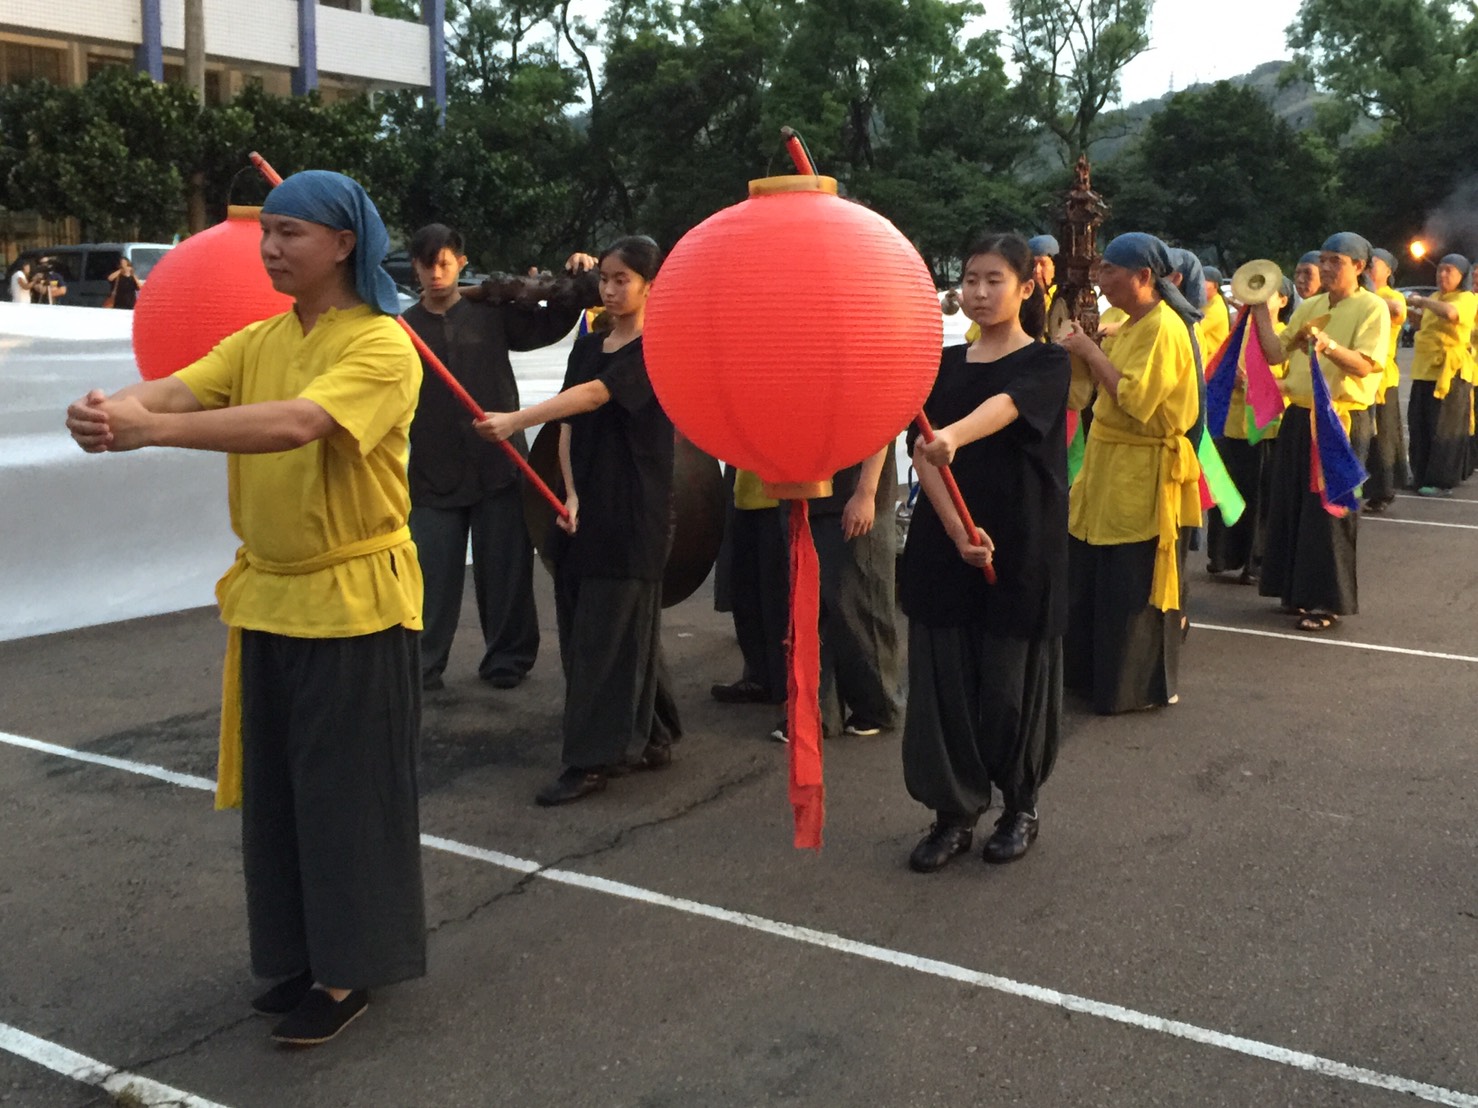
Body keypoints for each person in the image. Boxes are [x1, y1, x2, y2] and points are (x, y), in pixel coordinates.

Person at [63, 170, 427, 1047]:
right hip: (271, 596)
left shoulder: (381, 346)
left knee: (344, 797)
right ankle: (303, 954)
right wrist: (113, 410)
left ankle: (347, 974)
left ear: (344, 244)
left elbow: (296, 424)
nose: (270, 247)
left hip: (352, 602)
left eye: (291, 233)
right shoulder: (260, 337)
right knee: (283, 798)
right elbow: (178, 390)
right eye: (268, 231)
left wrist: (152, 431)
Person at [475, 236, 681, 806]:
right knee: (604, 626)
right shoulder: (589, 343)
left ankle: (592, 760)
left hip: (634, 508)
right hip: (586, 505)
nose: (611, 290)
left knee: (605, 633)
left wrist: (514, 417)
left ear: (649, 286)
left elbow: (594, 398)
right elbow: (568, 424)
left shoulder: (658, 347)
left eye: (624, 280)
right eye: (606, 279)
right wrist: (570, 492)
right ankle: (655, 733)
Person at [901, 232, 1069, 872]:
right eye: (970, 279)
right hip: (950, 545)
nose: (978, 291)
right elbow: (925, 453)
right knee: (944, 682)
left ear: (1027, 287)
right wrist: (956, 533)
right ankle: (952, 812)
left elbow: (1004, 409)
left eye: (994, 280)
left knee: (1010, 683)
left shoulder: (1048, 363)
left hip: (1023, 542)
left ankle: (1019, 804)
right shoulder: (940, 364)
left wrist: (953, 435)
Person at [401, 223, 596, 691]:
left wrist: (581, 279)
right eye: (427, 265)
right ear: (415, 268)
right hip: (432, 471)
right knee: (429, 577)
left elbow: (550, 322)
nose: (436, 273)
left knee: (506, 570)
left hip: (499, 463)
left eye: (445, 262)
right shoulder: (401, 329)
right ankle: (422, 665)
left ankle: (508, 658)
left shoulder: (488, 311)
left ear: (462, 263)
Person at [1057, 233, 1203, 715]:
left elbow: (1137, 401)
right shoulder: (1132, 322)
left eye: (1109, 272)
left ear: (1143, 277)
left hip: (1142, 465)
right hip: (1111, 462)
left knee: (1130, 580)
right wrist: (1083, 352)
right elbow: (1095, 391)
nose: (1101, 282)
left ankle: (1132, 687)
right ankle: (1088, 676)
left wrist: (1091, 352)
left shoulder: (1165, 326)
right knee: (1094, 571)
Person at [1250, 232, 1388, 632]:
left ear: (1359, 268)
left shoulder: (1372, 308)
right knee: (1291, 505)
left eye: (1336, 262)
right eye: (1323, 260)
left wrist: (1326, 345)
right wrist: (1260, 310)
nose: (1326, 268)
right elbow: (1277, 352)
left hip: (1339, 421)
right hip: (1300, 415)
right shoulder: (1310, 305)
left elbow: (1364, 365)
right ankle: (1294, 591)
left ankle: (1328, 600)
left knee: (1330, 511)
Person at [775, 444, 902, 740]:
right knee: (809, 608)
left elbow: (882, 422)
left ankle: (877, 706)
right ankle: (817, 712)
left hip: (853, 490)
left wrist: (866, 492)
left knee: (859, 605)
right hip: (801, 490)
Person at [1206, 280, 1293, 582]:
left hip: (1265, 426)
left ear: (1283, 301)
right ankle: (1224, 556)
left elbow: (1293, 384)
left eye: (1267, 296)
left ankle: (1255, 562)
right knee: (1228, 491)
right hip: (1233, 423)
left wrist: (1256, 384)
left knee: (1260, 498)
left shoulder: (1284, 338)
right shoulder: (1239, 334)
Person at [1405, 255, 1475, 496]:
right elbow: (1425, 325)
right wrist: (1410, 313)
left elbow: (1451, 314)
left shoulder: (1466, 298)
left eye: (1449, 271)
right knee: (1419, 422)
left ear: (1461, 277)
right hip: (1425, 369)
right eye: (1440, 270)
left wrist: (1422, 301)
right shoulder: (1435, 297)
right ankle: (1420, 473)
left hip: (1451, 372)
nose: (1442, 275)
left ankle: (1441, 479)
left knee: (1443, 426)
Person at [1363, 247, 1411, 510]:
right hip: (1358, 377)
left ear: (1389, 271)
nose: (1370, 267)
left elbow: (1395, 309)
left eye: (1376, 263)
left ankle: (1383, 490)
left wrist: (1369, 295)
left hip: (1381, 378)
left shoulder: (1391, 296)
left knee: (1382, 437)